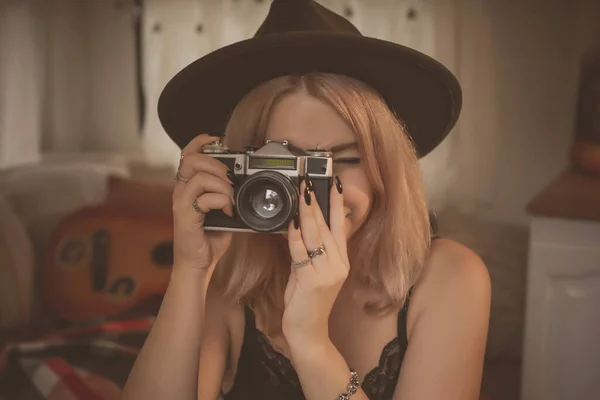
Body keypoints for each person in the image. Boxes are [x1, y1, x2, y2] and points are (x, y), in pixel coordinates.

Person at [123, 1, 491, 400]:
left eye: (346, 159)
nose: (312, 195)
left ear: (384, 168)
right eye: (286, 165)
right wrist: (190, 269)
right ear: (245, 172)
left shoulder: (451, 277)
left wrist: (311, 342)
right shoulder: (228, 277)